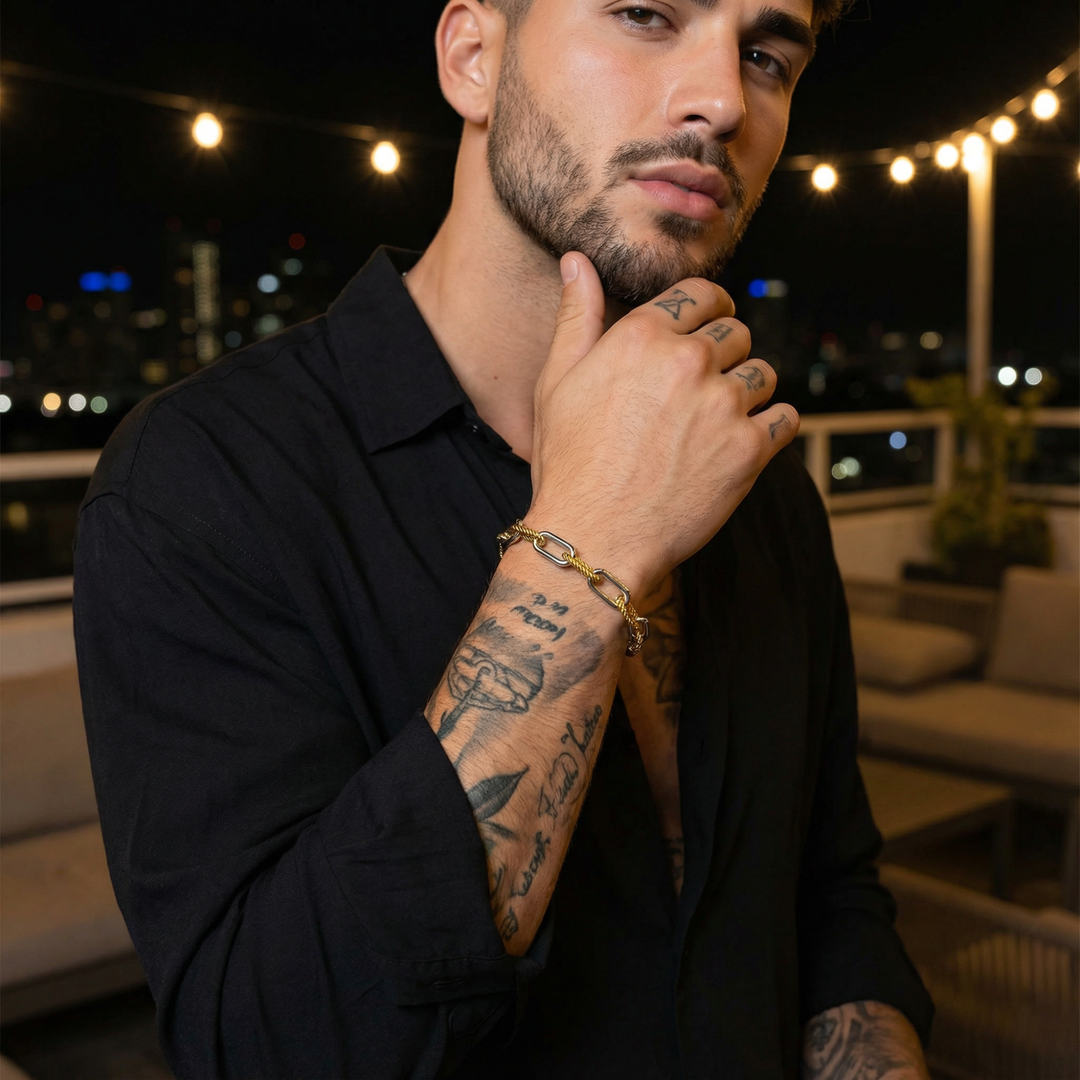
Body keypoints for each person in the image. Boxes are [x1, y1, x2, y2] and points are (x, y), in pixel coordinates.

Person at [74, 0, 934, 1076]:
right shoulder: (204, 481)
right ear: (474, 57)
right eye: (645, 14)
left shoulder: (758, 475)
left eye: (764, 55)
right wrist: (589, 545)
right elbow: (272, 1045)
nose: (725, 99)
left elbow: (828, 891)